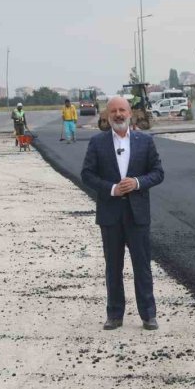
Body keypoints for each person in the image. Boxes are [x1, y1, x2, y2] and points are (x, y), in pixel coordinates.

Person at [80, 96, 164, 331]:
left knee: (142, 266)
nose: (118, 114)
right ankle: (114, 315)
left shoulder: (145, 142)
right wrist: (112, 188)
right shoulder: (97, 143)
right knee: (113, 267)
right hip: (110, 215)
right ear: (107, 116)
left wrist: (137, 183)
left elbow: (158, 172)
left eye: (122, 110)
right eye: (113, 111)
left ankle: (149, 315)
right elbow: (87, 174)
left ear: (130, 114)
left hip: (138, 216)